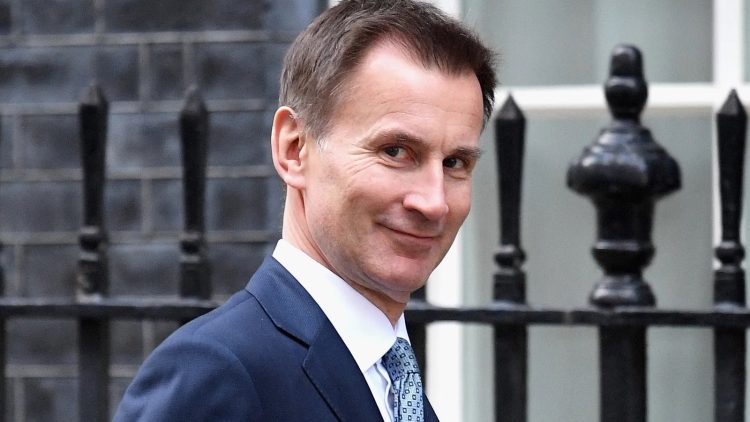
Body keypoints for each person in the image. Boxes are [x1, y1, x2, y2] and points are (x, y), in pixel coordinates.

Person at [114, 0, 496, 420]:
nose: (434, 202)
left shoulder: (392, 379)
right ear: (294, 149)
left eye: (455, 162)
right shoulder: (215, 373)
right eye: (395, 151)